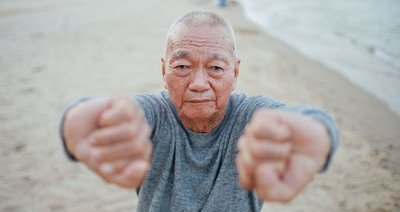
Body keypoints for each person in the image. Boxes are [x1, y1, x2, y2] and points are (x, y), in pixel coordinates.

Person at [61, 11, 339, 211]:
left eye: (216, 68)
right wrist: (78, 122)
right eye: (182, 67)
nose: (198, 84)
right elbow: (114, 113)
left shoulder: (251, 116)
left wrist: (320, 133)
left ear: (235, 72)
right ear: (163, 70)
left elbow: (300, 121)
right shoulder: (155, 115)